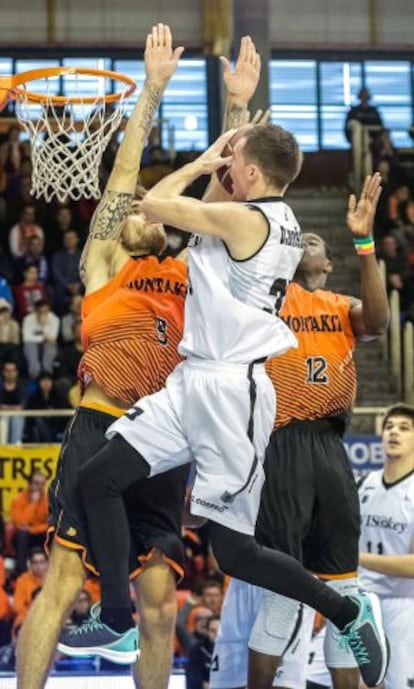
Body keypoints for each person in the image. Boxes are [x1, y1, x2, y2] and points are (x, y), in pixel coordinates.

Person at [60, 49, 389, 689]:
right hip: (191, 383)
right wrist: (235, 109)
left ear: (253, 173)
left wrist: (200, 159)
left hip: (231, 396)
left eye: (234, 163)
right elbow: (212, 196)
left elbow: (154, 203)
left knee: (233, 551)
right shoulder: (244, 216)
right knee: (96, 479)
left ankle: (346, 609)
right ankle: (119, 619)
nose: (225, 168)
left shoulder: (249, 220)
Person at [16, 23, 193, 689]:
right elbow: (122, 173)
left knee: (159, 603)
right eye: (137, 208)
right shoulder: (105, 260)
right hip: (100, 425)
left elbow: (230, 206)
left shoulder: (186, 276)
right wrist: (150, 91)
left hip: (164, 436)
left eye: (160, 211)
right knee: (61, 581)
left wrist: (236, 114)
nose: (148, 212)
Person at [209, 174, 390, 689]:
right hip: (281, 443)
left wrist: (365, 242)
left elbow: (377, 321)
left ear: (329, 264)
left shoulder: (338, 305)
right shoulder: (271, 299)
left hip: (330, 445)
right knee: (284, 595)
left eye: (318, 241)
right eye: (301, 239)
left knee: (346, 589)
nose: (308, 239)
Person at [358, 403, 414, 689]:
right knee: (314, 679)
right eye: (389, 426)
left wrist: (359, 558)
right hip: (359, 601)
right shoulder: (364, 483)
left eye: (404, 428)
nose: (394, 432)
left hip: (404, 606)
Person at [9, 471, 48, 576]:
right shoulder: (19, 499)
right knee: (22, 534)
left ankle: (51, 571)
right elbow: (20, 523)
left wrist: (33, 529)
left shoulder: (47, 499)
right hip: (23, 538)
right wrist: (33, 504)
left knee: (52, 533)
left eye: (42, 484)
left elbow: (50, 523)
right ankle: (21, 573)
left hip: (40, 535)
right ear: (29, 484)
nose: (39, 487)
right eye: (36, 483)